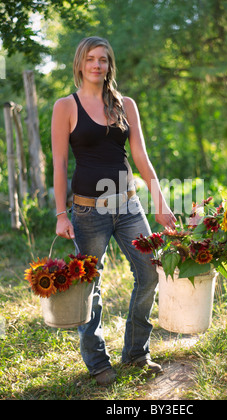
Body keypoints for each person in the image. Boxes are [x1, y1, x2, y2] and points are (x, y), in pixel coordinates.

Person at [51, 36, 176, 386]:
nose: (97, 65)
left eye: (103, 59)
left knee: (150, 272)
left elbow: (140, 157)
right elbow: (59, 164)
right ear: (80, 64)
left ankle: (136, 353)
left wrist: (160, 202)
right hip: (89, 211)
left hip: (129, 205)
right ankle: (97, 361)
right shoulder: (66, 106)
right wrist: (62, 213)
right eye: (91, 59)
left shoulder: (125, 105)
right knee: (90, 284)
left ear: (109, 65)